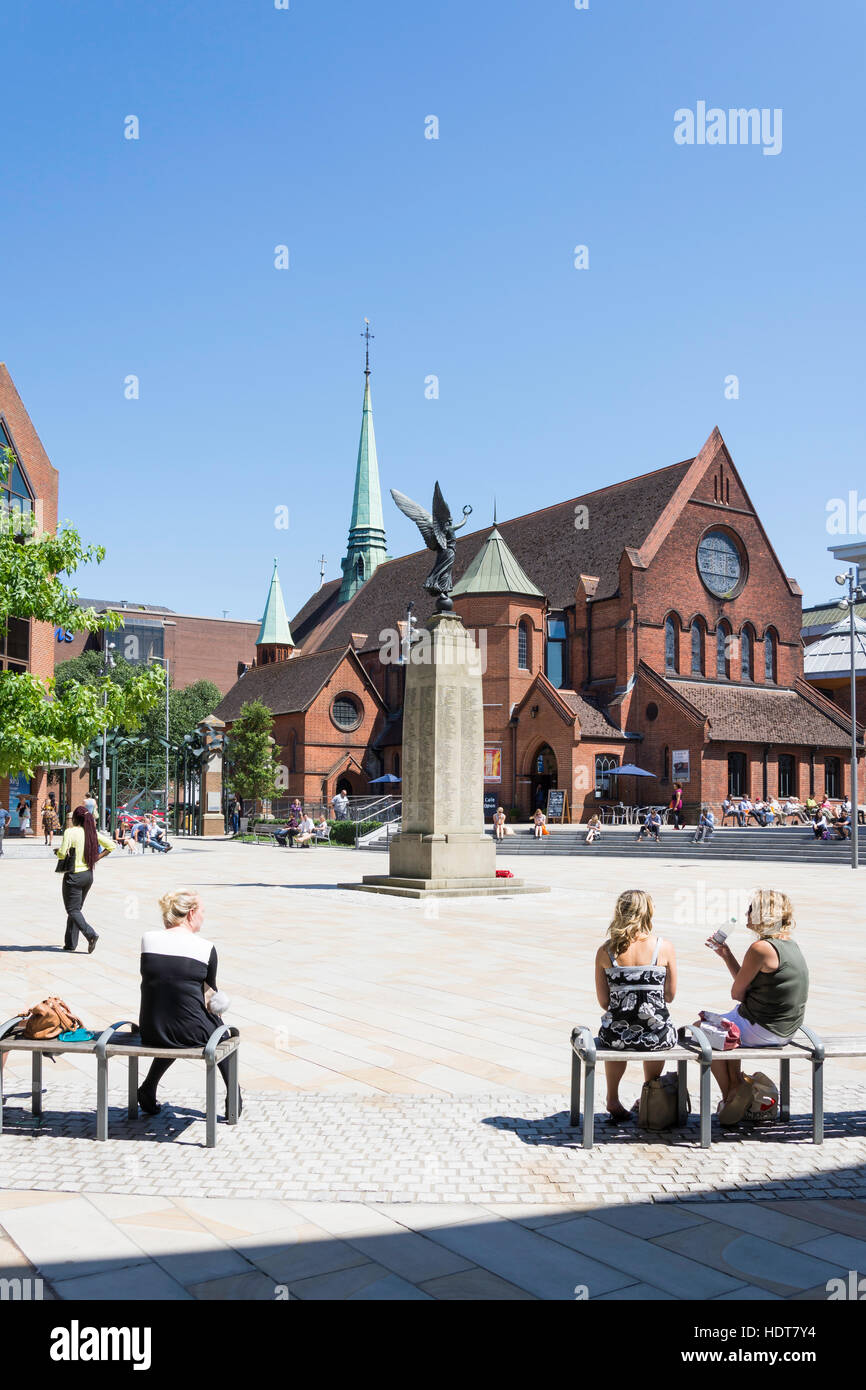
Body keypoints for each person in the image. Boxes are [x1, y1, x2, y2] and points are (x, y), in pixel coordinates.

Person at [703, 889, 808, 1123]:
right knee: (727, 1029)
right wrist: (726, 955)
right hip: (786, 1030)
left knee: (702, 1030)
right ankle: (736, 1089)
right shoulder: (791, 945)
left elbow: (737, 993)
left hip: (764, 1028)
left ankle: (730, 1095)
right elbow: (746, 990)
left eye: (751, 909)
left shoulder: (760, 948)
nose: (746, 913)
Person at [136, 889, 241, 1120]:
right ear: (192, 913)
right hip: (186, 1031)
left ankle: (148, 1087)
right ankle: (234, 1095)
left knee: (175, 1022)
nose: (204, 916)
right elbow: (210, 999)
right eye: (203, 911)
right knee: (222, 1032)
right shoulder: (206, 948)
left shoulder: (148, 939)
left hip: (151, 1029)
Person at [595, 889, 678, 1122]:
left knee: (617, 1030)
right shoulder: (664, 947)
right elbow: (670, 996)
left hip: (616, 1034)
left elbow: (604, 1002)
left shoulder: (605, 951)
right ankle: (648, 1094)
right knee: (657, 1029)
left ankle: (612, 1097)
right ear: (648, 912)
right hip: (656, 1034)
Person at [55, 805, 114, 953]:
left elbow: (62, 854)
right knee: (76, 910)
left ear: (75, 818)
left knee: (72, 909)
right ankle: (70, 943)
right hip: (88, 875)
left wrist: (58, 852)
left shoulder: (70, 832)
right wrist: (95, 859)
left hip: (74, 876)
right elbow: (111, 846)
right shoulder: (92, 833)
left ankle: (91, 934)